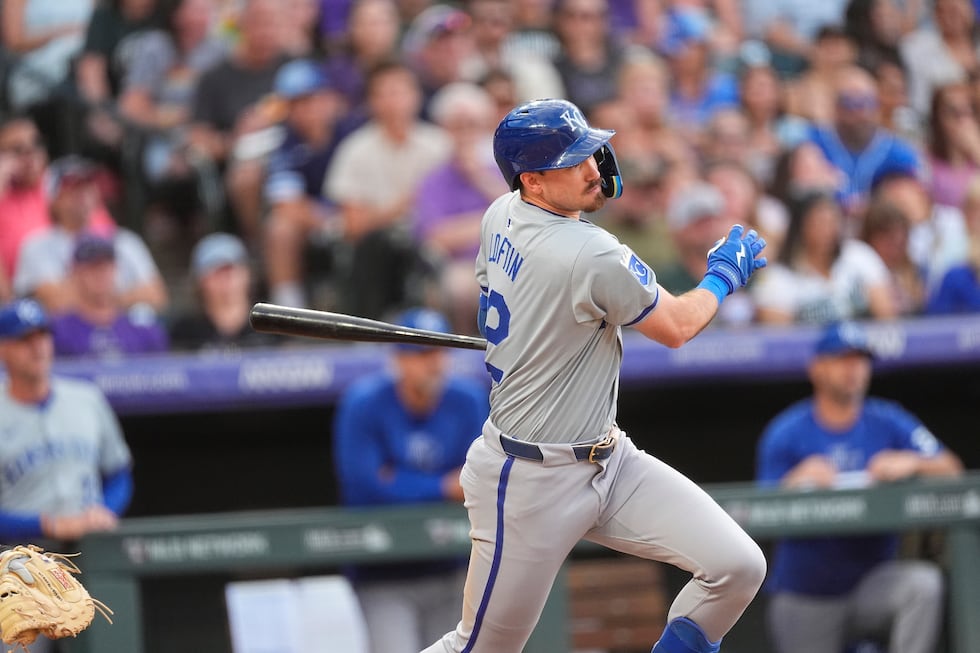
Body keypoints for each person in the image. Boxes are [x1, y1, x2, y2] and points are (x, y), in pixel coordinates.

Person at [422, 98, 769, 653]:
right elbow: (678, 326)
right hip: (529, 480)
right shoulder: (589, 254)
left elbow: (511, 295)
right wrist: (723, 276)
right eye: (571, 161)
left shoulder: (499, 213)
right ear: (531, 181)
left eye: (589, 151)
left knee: (736, 566)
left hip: (609, 461)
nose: (592, 169)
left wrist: (541, 337)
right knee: (480, 647)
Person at [756, 320, 964, 653]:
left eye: (860, 360)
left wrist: (912, 462)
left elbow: (951, 469)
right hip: (807, 594)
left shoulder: (888, 420)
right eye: (842, 359)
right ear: (818, 369)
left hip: (872, 584)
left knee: (922, 586)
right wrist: (795, 481)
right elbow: (757, 514)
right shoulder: (787, 431)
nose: (854, 369)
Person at [333, 308, 489, 653]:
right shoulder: (364, 403)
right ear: (399, 360)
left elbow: (479, 481)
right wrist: (441, 486)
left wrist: (398, 480)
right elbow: (364, 489)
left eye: (437, 352)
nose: (432, 363)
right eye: (420, 354)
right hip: (385, 573)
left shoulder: (467, 400)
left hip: (454, 566)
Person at [0, 297, 133, 543]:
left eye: (42, 336)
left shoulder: (87, 398)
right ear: (3, 349)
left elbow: (119, 473)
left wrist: (105, 510)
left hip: (91, 545)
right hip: (21, 559)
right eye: (24, 340)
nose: (37, 347)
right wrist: (44, 525)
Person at [13, 155, 168, 314]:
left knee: (143, 315)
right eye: (73, 187)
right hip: (67, 337)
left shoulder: (124, 240)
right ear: (54, 198)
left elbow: (156, 295)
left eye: (88, 185)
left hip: (124, 334)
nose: (82, 194)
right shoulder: (37, 246)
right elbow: (55, 301)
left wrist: (92, 298)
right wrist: (123, 295)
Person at [49, 234, 169, 358]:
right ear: (75, 271)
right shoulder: (58, 330)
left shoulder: (142, 330)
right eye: (92, 267)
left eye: (106, 266)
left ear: (115, 268)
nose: (100, 273)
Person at [169, 232, 281, 351]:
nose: (226, 280)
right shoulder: (185, 331)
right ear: (200, 282)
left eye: (231, 270)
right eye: (217, 273)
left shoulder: (271, 321)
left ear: (247, 274)